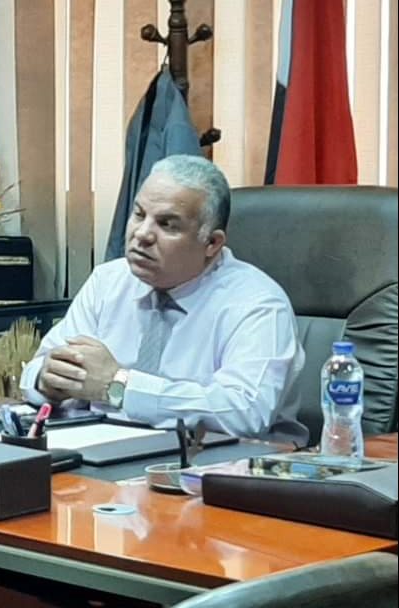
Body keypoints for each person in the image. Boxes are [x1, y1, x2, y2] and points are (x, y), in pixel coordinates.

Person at [21, 155, 308, 445]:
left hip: (216, 462)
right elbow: (35, 371)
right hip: (101, 453)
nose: (142, 234)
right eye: (138, 214)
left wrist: (118, 386)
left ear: (212, 243)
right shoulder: (108, 281)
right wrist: (48, 380)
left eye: (167, 224)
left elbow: (245, 413)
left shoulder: (258, 304)